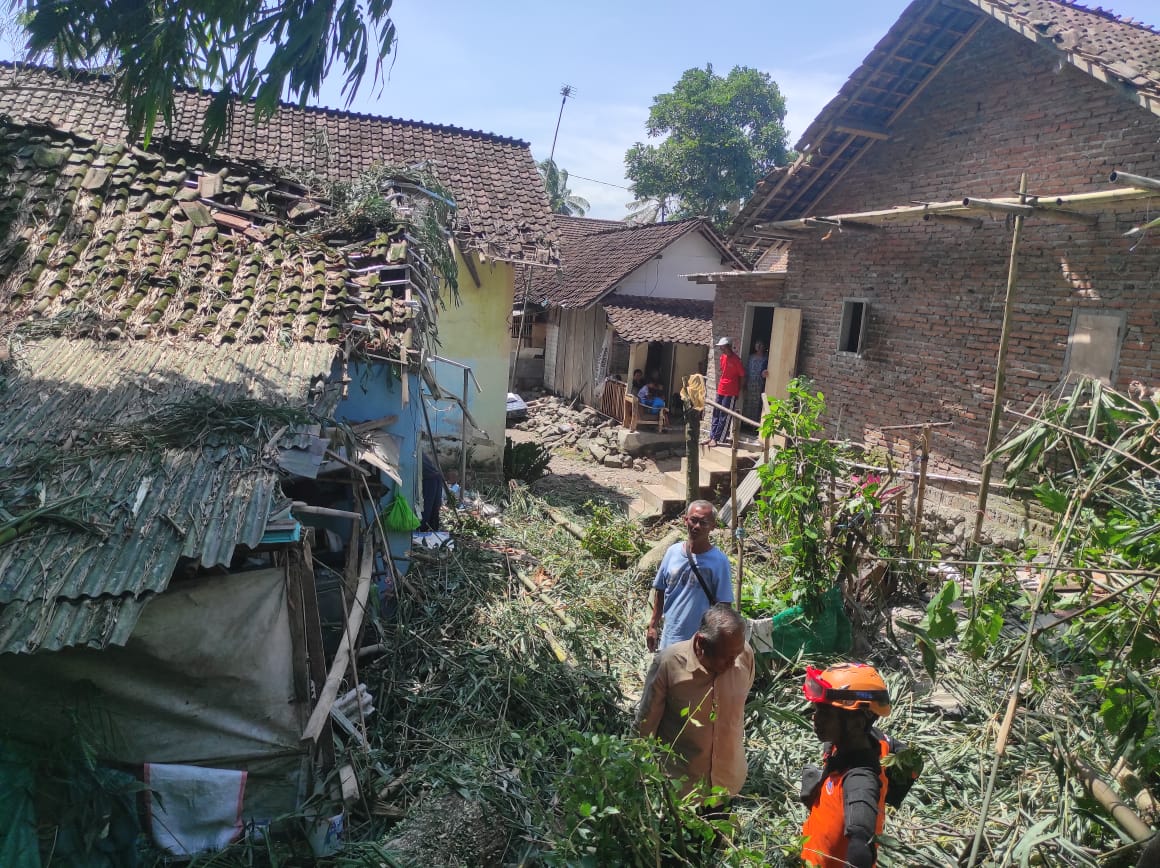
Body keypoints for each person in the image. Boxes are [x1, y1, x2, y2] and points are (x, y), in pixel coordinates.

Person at [636, 604, 755, 798]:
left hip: (727, 786)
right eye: (726, 657)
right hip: (680, 791)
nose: (733, 663)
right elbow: (644, 726)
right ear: (701, 643)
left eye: (737, 654)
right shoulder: (668, 665)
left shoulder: (744, 656)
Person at [799, 662, 903, 868]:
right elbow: (903, 753)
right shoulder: (869, 741)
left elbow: (861, 843)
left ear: (857, 721)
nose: (815, 718)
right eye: (817, 709)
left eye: (825, 713)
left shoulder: (860, 781)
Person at [646, 500, 733, 652]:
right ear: (685, 520)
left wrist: (717, 640)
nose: (697, 526)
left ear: (713, 526)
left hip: (700, 642)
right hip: (670, 638)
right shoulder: (672, 553)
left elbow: (724, 606)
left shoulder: (719, 561)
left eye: (704, 522)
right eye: (694, 520)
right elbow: (660, 590)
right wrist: (653, 625)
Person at [708, 337, 745, 447]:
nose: (721, 349)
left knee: (724, 415)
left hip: (731, 392)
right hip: (721, 389)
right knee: (716, 413)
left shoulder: (736, 360)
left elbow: (742, 376)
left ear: (728, 346)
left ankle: (717, 438)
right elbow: (722, 371)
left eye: (723, 347)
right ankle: (712, 436)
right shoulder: (722, 357)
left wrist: (738, 391)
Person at [743, 341, 768, 422]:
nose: (759, 346)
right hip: (750, 383)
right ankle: (745, 423)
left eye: (761, 344)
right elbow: (747, 370)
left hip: (759, 385)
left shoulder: (766, 358)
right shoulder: (751, 357)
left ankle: (754, 425)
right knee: (748, 404)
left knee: (757, 405)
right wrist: (745, 383)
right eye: (757, 344)